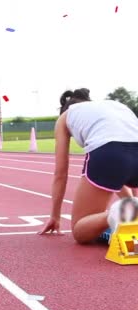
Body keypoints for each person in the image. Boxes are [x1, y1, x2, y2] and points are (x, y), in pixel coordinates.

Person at [39, 88, 138, 243]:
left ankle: (116, 212)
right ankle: (129, 209)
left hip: (109, 152)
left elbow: (61, 173)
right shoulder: (112, 106)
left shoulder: (64, 118)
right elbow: (119, 173)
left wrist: (55, 216)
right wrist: (131, 203)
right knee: (121, 176)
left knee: (80, 230)